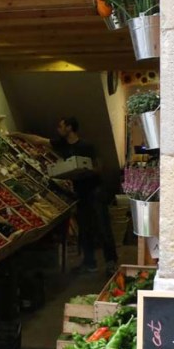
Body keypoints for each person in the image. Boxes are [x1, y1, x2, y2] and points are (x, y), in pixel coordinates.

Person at [51, 116, 118, 274]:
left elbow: (99, 167)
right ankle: (89, 262)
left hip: (95, 189)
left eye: (60, 126)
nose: (58, 129)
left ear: (69, 128)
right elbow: (39, 141)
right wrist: (18, 135)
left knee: (102, 226)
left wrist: (84, 171)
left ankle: (111, 261)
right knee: (84, 228)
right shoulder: (62, 145)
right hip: (80, 192)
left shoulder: (87, 146)